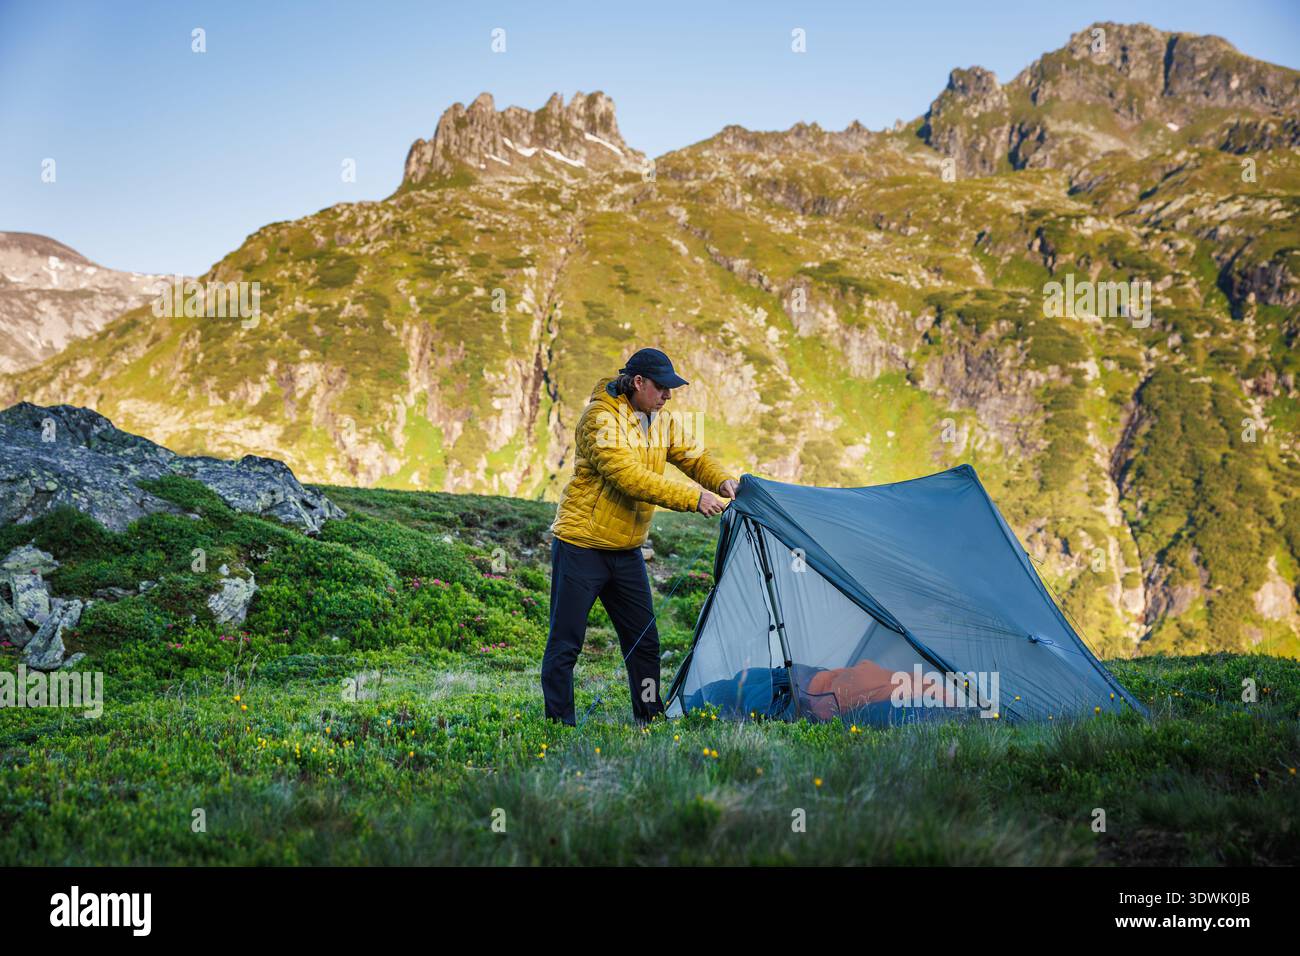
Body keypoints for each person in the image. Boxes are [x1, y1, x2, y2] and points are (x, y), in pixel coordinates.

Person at [543, 348, 738, 726]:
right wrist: (694, 499)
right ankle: (559, 726)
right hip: (581, 545)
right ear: (638, 383)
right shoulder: (599, 420)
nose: (668, 396)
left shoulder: (658, 420)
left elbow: (694, 457)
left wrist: (721, 479)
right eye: (663, 388)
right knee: (566, 644)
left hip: (626, 550)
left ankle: (649, 719)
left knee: (644, 642)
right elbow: (629, 478)